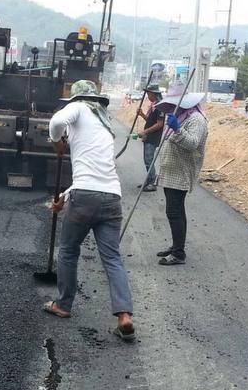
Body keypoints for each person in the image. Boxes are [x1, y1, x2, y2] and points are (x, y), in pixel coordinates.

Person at [43, 80, 135, 342]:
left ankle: (63, 304)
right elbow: (92, 174)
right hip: (111, 198)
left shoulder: (79, 109)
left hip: (85, 197)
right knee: (112, 258)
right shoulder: (104, 122)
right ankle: (124, 316)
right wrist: (65, 196)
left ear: (77, 98)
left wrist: (56, 142)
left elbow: (56, 121)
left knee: (69, 250)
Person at [155, 84, 209, 266]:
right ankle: (177, 246)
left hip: (182, 171)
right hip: (172, 171)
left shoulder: (196, 120)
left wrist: (177, 130)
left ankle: (178, 254)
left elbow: (192, 144)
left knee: (173, 211)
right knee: (178, 210)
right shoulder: (180, 116)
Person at [135, 84, 165, 192]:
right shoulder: (153, 105)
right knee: (147, 160)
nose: (147, 95)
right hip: (148, 136)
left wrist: (145, 131)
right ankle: (148, 181)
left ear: (154, 94)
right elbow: (150, 120)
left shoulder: (160, 106)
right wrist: (142, 114)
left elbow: (159, 124)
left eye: (149, 93)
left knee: (149, 159)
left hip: (153, 137)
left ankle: (152, 183)